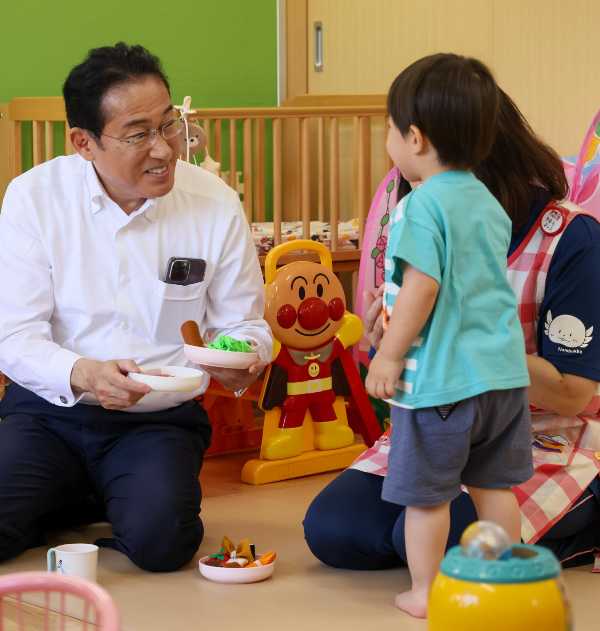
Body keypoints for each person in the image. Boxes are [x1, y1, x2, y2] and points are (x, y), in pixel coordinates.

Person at [304, 79, 600, 600]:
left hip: (540, 432)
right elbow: (406, 322)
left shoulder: (568, 237)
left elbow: (573, 394)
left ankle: (582, 524)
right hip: (436, 416)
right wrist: (390, 336)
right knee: (337, 530)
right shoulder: (428, 206)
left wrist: (456, 338)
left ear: (422, 141)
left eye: (393, 130)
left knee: (442, 543)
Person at [0, 43, 272, 572]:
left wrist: (242, 356)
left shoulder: (214, 201)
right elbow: (13, 335)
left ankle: (99, 492)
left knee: (161, 543)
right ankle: (88, 489)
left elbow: (244, 323)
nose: (164, 149)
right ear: (84, 142)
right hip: (49, 411)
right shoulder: (34, 198)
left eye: (168, 125)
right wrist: (84, 372)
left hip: (158, 419)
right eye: (138, 134)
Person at [358, 54, 533, 618]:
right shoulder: (487, 202)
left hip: (440, 384)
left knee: (427, 498)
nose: (388, 140)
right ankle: (504, 583)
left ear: (415, 138)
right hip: (502, 379)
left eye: (390, 129)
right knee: (494, 489)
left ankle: (426, 591)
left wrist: (388, 355)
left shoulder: (420, 206)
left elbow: (423, 287)